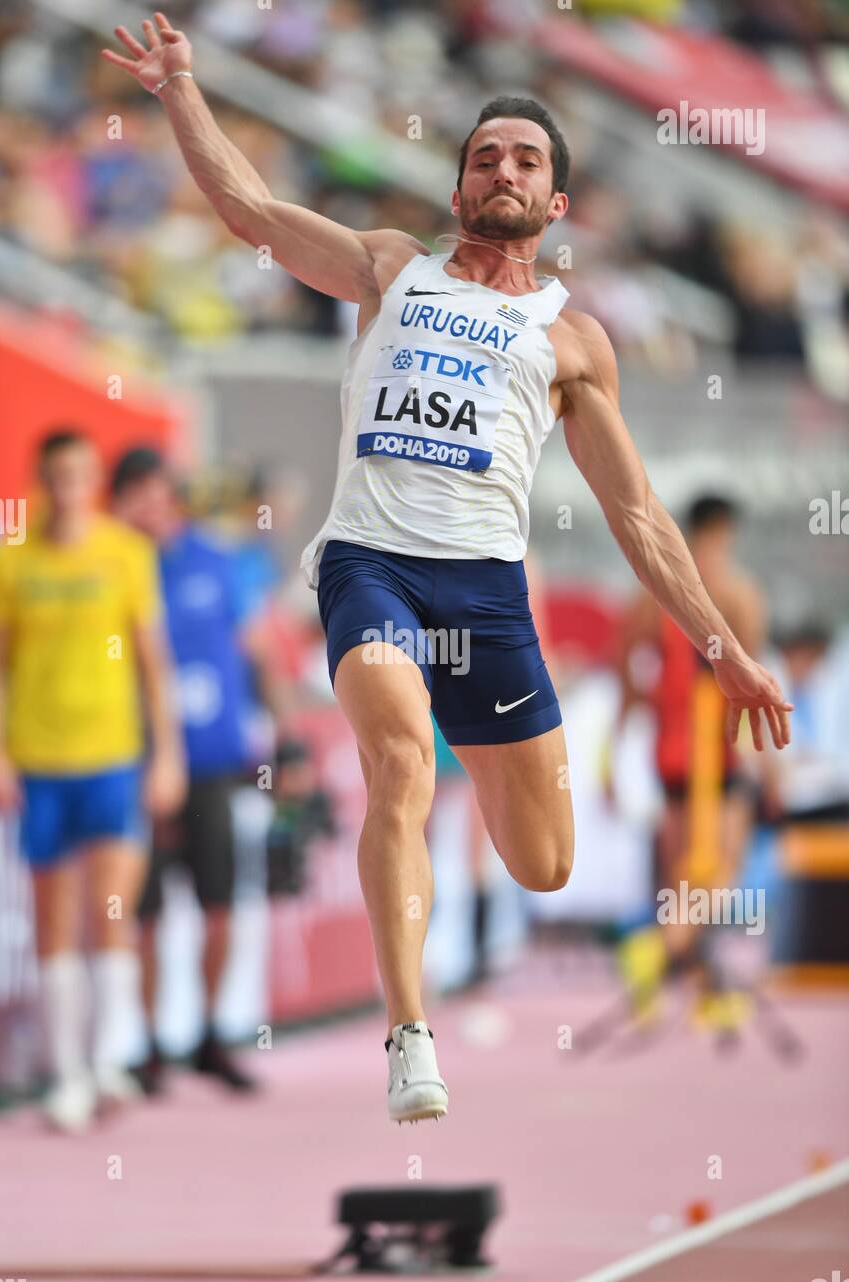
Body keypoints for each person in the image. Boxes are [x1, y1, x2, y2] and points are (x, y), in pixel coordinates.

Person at [103, 14, 792, 1124]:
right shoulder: (390, 269)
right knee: (395, 764)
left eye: (524, 160)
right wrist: (182, 86)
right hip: (371, 566)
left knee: (546, 863)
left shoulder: (571, 344)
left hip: (485, 593)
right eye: (484, 156)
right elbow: (249, 212)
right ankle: (409, 1033)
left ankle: (471, 736)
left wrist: (724, 652)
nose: (502, 170)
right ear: (460, 183)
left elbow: (639, 518)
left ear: (553, 204)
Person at [0, 431, 185, 1131]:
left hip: (112, 756)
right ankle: (65, 1073)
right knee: (53, 916)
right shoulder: (13, 564)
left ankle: (107, 1060)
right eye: (57, 475)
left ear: (93, 480)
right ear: (44, 480)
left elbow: (153, 666)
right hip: (40, 760)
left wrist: (168, 756)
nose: (69, 487)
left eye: (80, 475)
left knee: (111, 910)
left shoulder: (125, 555)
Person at [110, 446, 278, 1093]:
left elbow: (259, 648)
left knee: (220, 903)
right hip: (137, 762)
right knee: (144, 910)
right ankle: (149, 1044)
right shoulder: (118, 564)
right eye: (135, 494)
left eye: (157, 492)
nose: (149, 507)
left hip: (212, 760)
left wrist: (283, 732)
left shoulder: (218, 560)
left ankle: (209, 1034)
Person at [613, 496, 768, 1025]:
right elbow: (752, 684)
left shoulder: (651, 594)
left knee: (681, 876)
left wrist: (620, 740)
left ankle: (704, 990)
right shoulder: (738, 593)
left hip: (670, 753)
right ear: (723, 530)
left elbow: (624, 673)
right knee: (716, 873)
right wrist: (766, 765)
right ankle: (656, 951)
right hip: (718, 755)